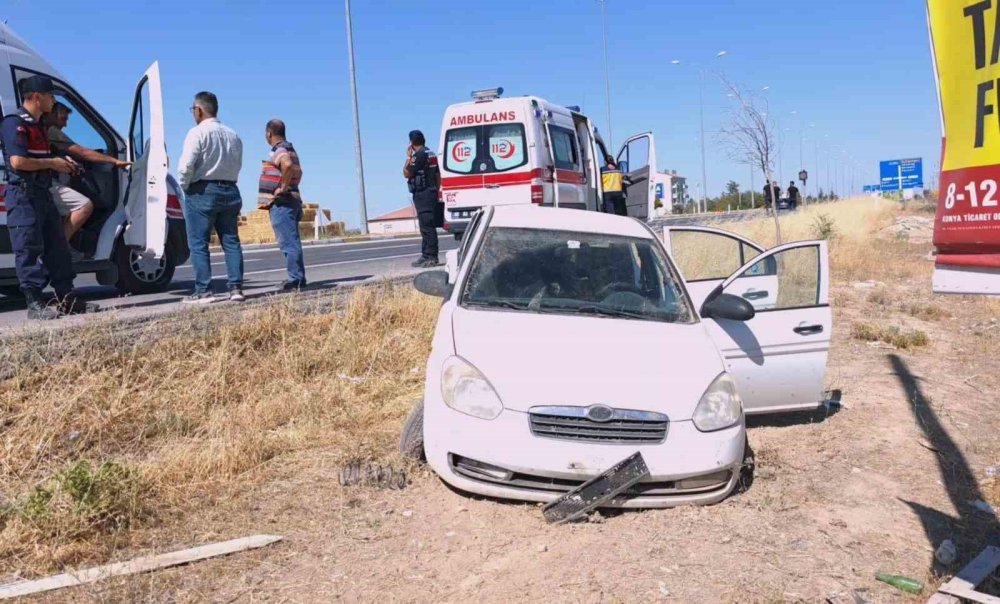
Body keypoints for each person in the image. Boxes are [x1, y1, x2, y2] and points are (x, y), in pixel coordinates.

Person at [0, 75, 98, 319]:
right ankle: (35, 305)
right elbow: (17, 161)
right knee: (28, 248)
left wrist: (60, 164)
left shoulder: (40, 126)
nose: (53, 100)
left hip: (42, 194)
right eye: (50, 95)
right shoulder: (14, 123)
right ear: (36, 97)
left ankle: (67, 299)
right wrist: (52, 162)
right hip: (23, 195)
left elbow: (39, 159)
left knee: (57, 249)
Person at [177, 91, 245, 304]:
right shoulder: (233, 134)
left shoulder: (197, 133)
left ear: (198, 110)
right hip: (230, 189)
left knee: (199, 243)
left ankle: (204, 290)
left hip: (203, 190)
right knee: (231, 241)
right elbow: (237, 163)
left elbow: (186, 165)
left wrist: (184, 186)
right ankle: (236, 289)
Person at [46, 101, 131, 249]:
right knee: (84, 206)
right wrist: (115, 161)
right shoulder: (50, 130)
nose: (65, 124)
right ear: (51, 114)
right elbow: (82, 152)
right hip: (43, 183)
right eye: (63, 119)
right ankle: (60, 249)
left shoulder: (45, 130)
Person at [258, 119, 306, 290]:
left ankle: (296, 279)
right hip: (292, 201)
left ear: (268, 134)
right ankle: (298, 277)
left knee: (288, 242)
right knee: (292, 240)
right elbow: (298, 172)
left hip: (283, 203)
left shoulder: (280, 150)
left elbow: (287, 164)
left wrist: (282, 188)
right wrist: (292, 184)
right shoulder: (291, 149)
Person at [403, 130, 441, 268]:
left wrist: (408, 157)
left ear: (412, 143)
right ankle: (425, 254)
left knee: (427, 226)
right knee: (425, 225)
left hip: (423, 193)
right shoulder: (431, 153)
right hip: (430, 192)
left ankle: (431, 256)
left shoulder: (418, 155)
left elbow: (406, 173)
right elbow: (438, 176)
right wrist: (436, 190)